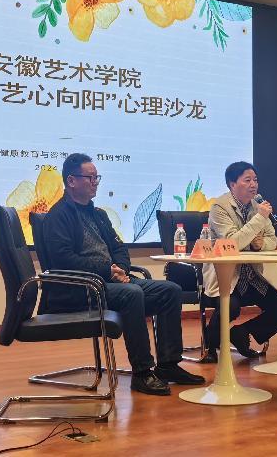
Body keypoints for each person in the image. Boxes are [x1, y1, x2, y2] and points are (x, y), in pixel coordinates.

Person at [41, 153, 205, 396]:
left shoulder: (99, 214)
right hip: (80, 289)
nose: (95, 182)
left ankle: (168, 365)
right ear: (71, 181)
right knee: (132, 293)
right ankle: (142, 372)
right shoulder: (58, 216)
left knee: (170, 290)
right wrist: (108, 271)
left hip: (111, 281)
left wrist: (121, 269)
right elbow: (63, 260)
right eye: (90, 178)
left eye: (97, 177)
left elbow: (119, 248)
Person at [201, 161, 277, 363]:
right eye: (247, 180)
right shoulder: (219, 207)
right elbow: (233, 242)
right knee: (230, 307)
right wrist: (259, 219)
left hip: (251, 277)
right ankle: (210, 346)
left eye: (255, 180)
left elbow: (272, 240)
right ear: (232, 184)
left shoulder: (258, 206)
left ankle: (241, 332)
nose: (253, 185)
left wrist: (260, 244)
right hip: (226, 277)